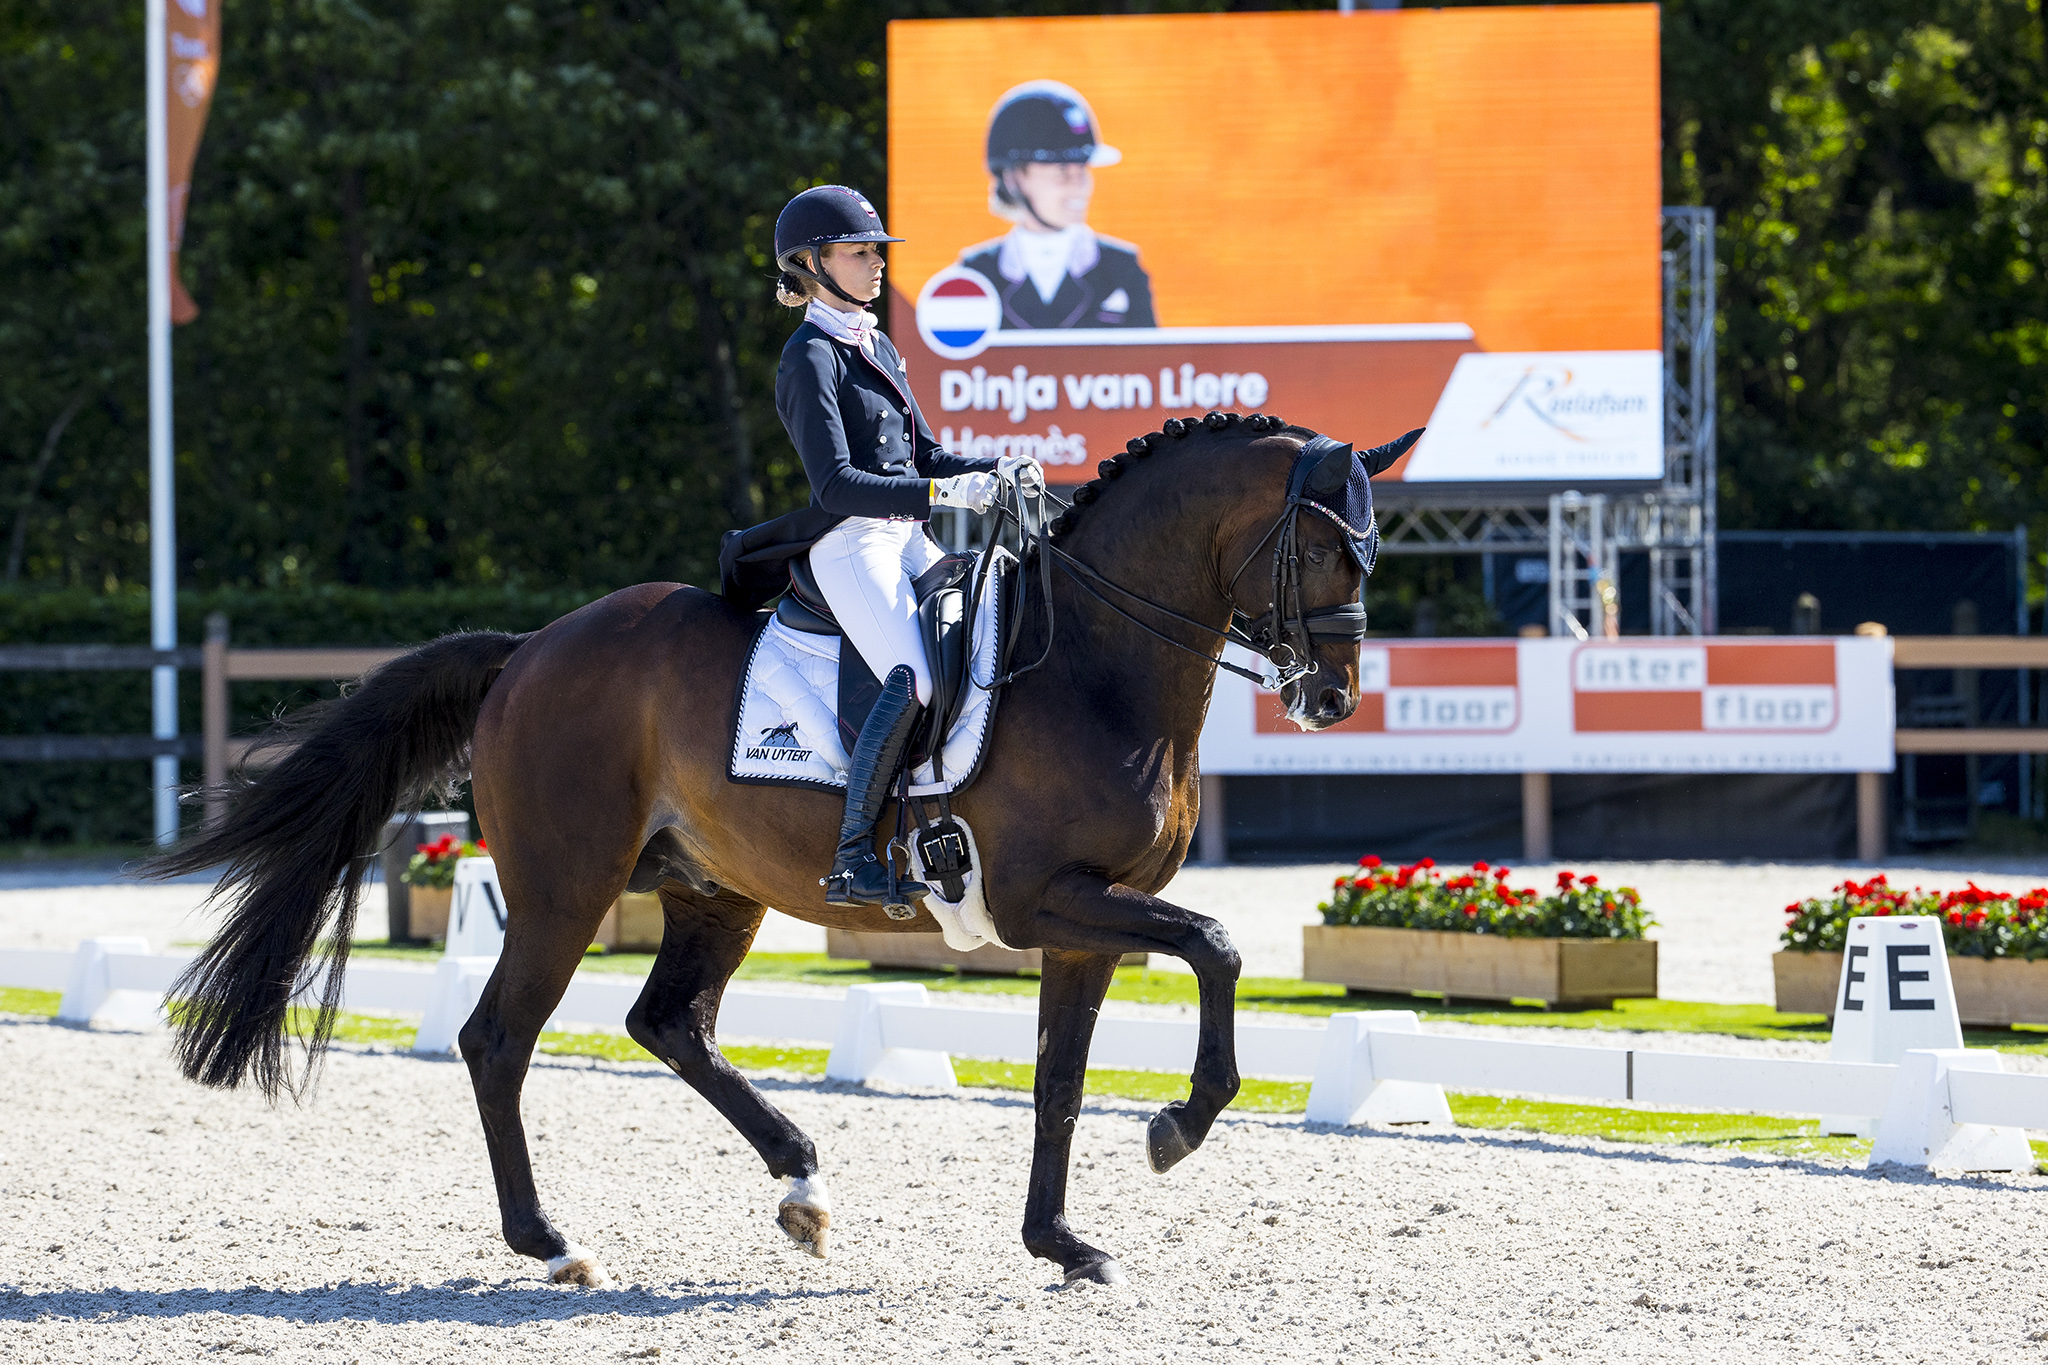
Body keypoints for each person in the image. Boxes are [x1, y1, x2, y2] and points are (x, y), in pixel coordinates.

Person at [761, 185, 1044, 908]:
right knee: (913, 680)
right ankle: (852, 854)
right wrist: (943, 495)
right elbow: (835, 486)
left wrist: (993, 469)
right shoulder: (809, 357)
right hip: (853, 543)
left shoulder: (877, 343)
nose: (877, 263)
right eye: (859, 252)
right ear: (812, 264)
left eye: (876, 251)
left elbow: (926, 454)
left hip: (908, 537)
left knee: (989, 639)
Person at [958, 80, 1156, 331]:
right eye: (1062, 170)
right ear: (1014, 178)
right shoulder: (976, 273)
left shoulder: (1122, 269)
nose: (1079, 186)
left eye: (1082, 169)